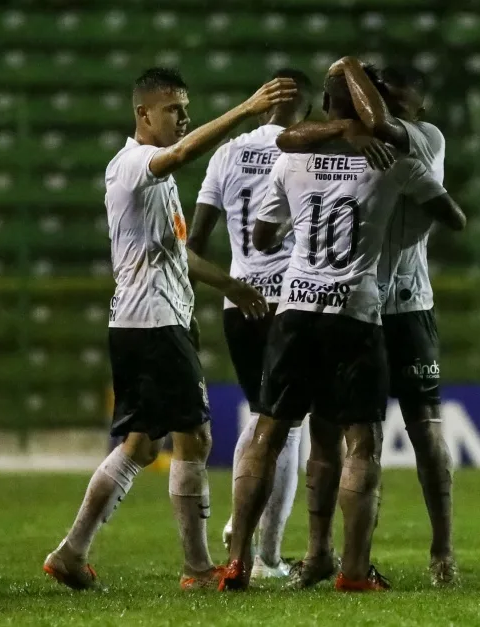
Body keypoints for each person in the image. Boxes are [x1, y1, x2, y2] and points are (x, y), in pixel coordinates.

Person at [42, 67, 295, 591]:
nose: (184, 118)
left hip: (150, 320)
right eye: (174, 109)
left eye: (186, 108)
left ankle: (72, 551)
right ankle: (198, 569)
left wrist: (231, 285)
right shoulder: (136, 165)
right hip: (154, 324)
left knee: (140, 445)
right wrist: (247, 111)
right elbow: (180, 156)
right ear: (143, 114)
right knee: (194, 438)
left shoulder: (153, 178)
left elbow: (179, 252)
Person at [217, 65, 466, 593]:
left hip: (302, 306)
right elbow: (455, 218)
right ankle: (344, 565)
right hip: (358, 310)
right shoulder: (392, 160)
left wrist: (301, 223)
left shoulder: (297, 159)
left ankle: (238, 560)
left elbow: (263, 237)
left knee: (272, 430)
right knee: (360, 441)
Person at [186, 68, 317, 580]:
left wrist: (225, 287)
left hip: (239, 304)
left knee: (262, 417)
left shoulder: (227, 153)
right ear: (306, 109)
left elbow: (194, 243)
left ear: (265, 103)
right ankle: (265, 554)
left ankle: (242, 523)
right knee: (285, 425)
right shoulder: (307, 150)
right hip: (292, 300)